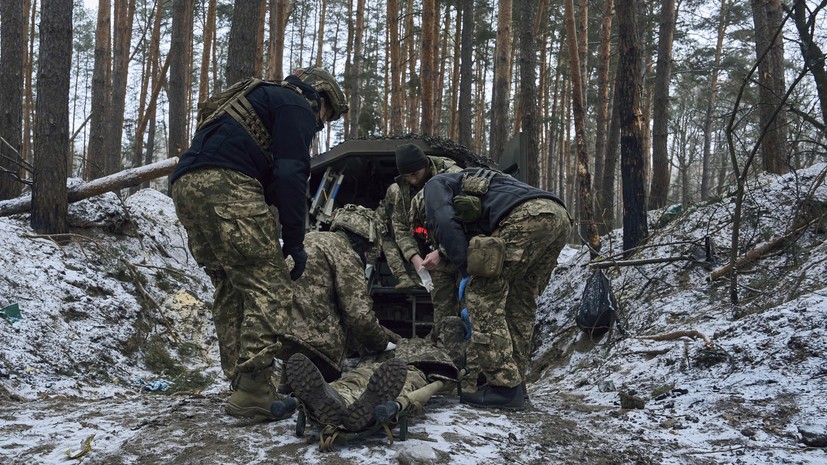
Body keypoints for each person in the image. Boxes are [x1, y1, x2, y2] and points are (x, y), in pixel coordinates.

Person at [170, 67, 348, 420]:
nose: (320, 126)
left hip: (186, 186)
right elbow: (291, 174)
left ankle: (243, 382)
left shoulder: (255, 101)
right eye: (326, 117)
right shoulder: (296, 106)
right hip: (227, 184)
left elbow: (268, 177)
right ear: (320, 97)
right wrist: (296, 241)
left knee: (231, 285)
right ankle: (253, 390)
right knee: (270, 287)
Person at [413, 168, 571, 410]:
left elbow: (445, 222)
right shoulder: (474, 183)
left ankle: (503, 386)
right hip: (558, 216)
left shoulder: (433, 187)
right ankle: (516, 386)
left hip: (526, 218)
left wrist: (468, 270)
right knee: (519, 301)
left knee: (481, 294)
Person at [390, 143, 463, 338]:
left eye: (416, 173)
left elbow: (468, 223)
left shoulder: (454, 175)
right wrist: (415, 259)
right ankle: (446, 353)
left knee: (469, 308)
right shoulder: (402, 189)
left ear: (426, 165)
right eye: (407, 176)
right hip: (433, 258)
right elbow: (400, 225)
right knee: (442, 310)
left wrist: (442, 252)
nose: (413, 180)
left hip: (462, 254)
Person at [376, 192, 418, 289]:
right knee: (387, 245)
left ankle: (415, 276)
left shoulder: (412, 207)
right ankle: (403, 278)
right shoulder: (382, 211)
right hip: (391, 238)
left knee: (416, 242)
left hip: (409, 237)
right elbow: (377, 229)